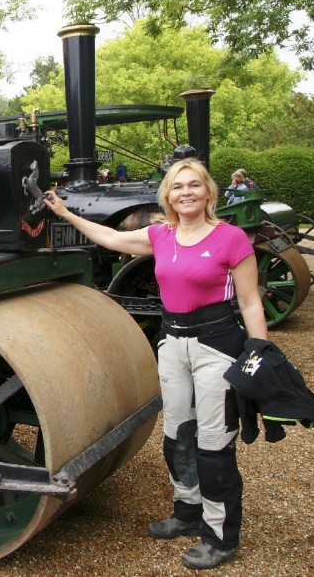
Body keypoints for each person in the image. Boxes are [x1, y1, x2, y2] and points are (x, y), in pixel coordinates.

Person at [42, 159, 268, 571]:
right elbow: (110, 238)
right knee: (177, 433)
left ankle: (220, 537)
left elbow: (251, 302)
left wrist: (261, 353)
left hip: (217, 344)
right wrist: (64, 212)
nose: (187, 193)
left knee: (214, 443)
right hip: (173, 343)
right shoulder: (161, 235)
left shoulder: (231, 238)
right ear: (168, 194)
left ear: (208, 192)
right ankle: (187, 512)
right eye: (178, 186)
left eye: (194, 185)